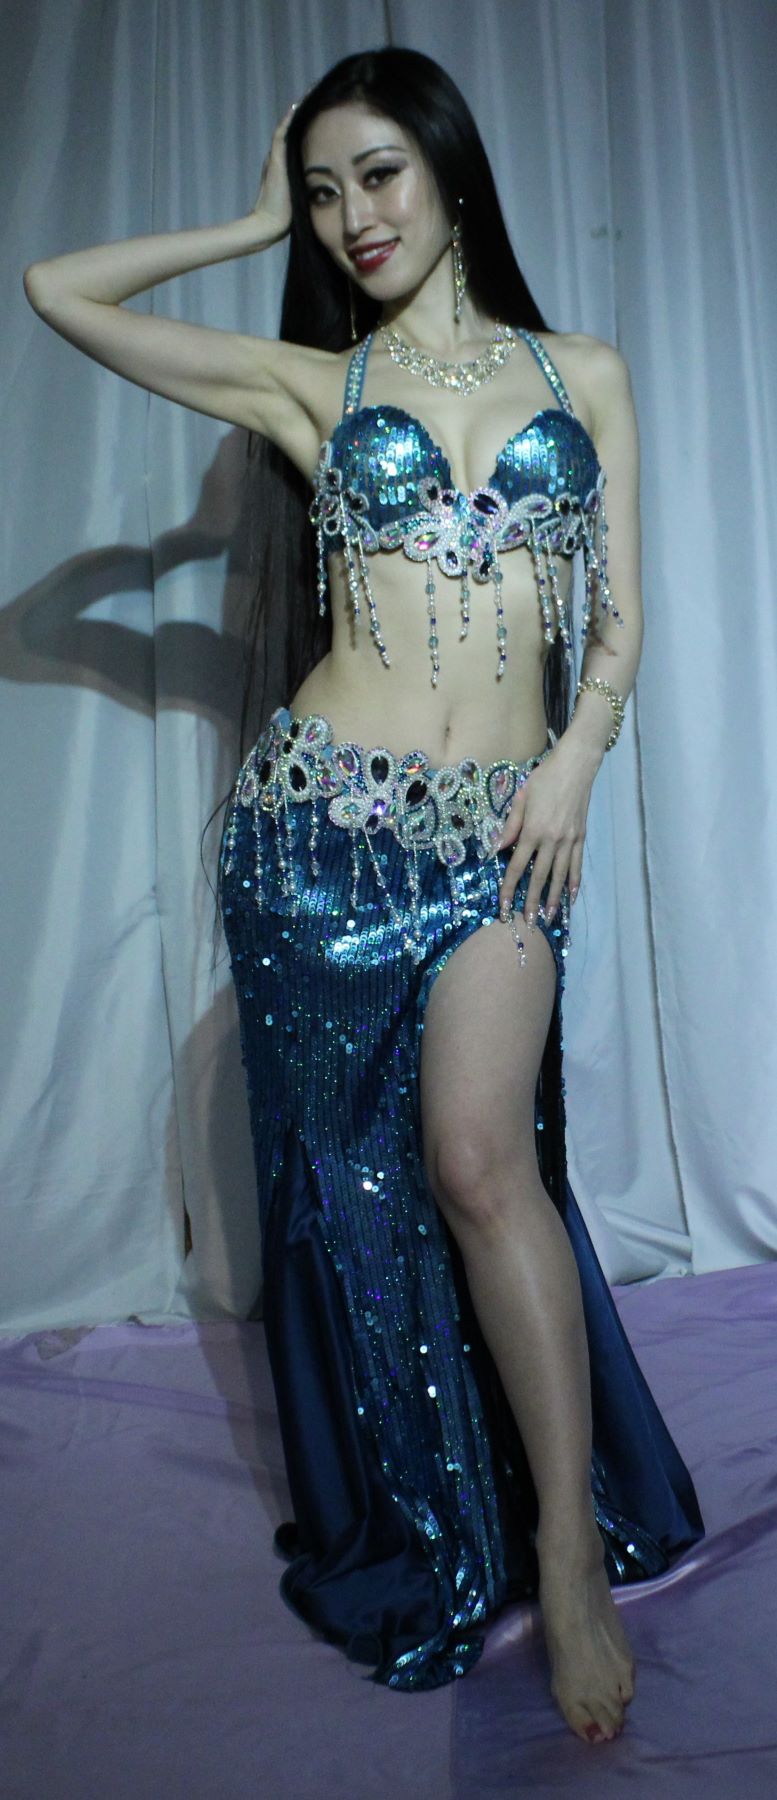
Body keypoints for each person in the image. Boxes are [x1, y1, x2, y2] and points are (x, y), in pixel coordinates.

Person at [24, 45, 704, 1747]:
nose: (352, 217)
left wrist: (575, 759)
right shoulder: (312, 385)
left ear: (450, 173)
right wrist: (245, 221)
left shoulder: (584, 372)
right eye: (325, 193)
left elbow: (618, 617)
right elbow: (57, 289)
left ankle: (562, 1553)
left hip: (502, 831)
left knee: (478, 1164)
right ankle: (425, 1508)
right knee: (357, 1208)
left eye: (377, 175)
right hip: (316, 837)